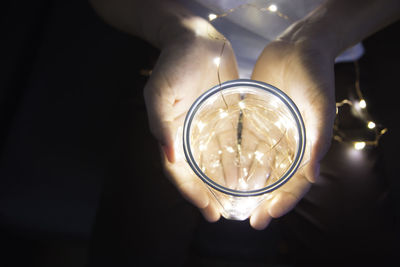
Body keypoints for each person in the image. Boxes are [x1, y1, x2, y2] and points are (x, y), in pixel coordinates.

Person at [90, 0, 399, 230]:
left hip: (320, 69)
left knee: (354, 232)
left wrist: (323, 36)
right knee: (138, 225)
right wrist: (175, 28)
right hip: (184, 72)